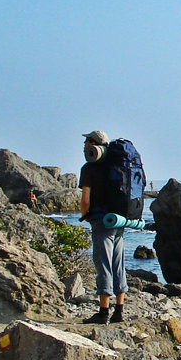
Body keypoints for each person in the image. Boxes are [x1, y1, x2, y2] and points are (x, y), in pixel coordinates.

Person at [78, 130, 126, 323]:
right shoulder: (116, 164)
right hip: (119, 219)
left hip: (101, 220)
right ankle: (119, 312)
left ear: (93, 144)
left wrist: (84, 216)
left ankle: (103, 313)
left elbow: (85, 199)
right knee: (118, 264)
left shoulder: (89, 168)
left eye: (87, 141)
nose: (84, 145)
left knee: (103, 264)